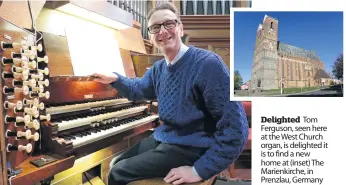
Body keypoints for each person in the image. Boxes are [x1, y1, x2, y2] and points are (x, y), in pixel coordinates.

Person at [90, 2, 248, 185]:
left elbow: (236, 129)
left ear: (180, 28)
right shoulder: (159, 69)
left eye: (169, 24)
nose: (162, 31)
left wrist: (199, 170)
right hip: (166, 138)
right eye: (155, 27)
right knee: (116, 162)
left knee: (118, 173)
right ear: (150, 35)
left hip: (193, 146)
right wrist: (115, 78)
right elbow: (139, 89)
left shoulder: (208, 64)